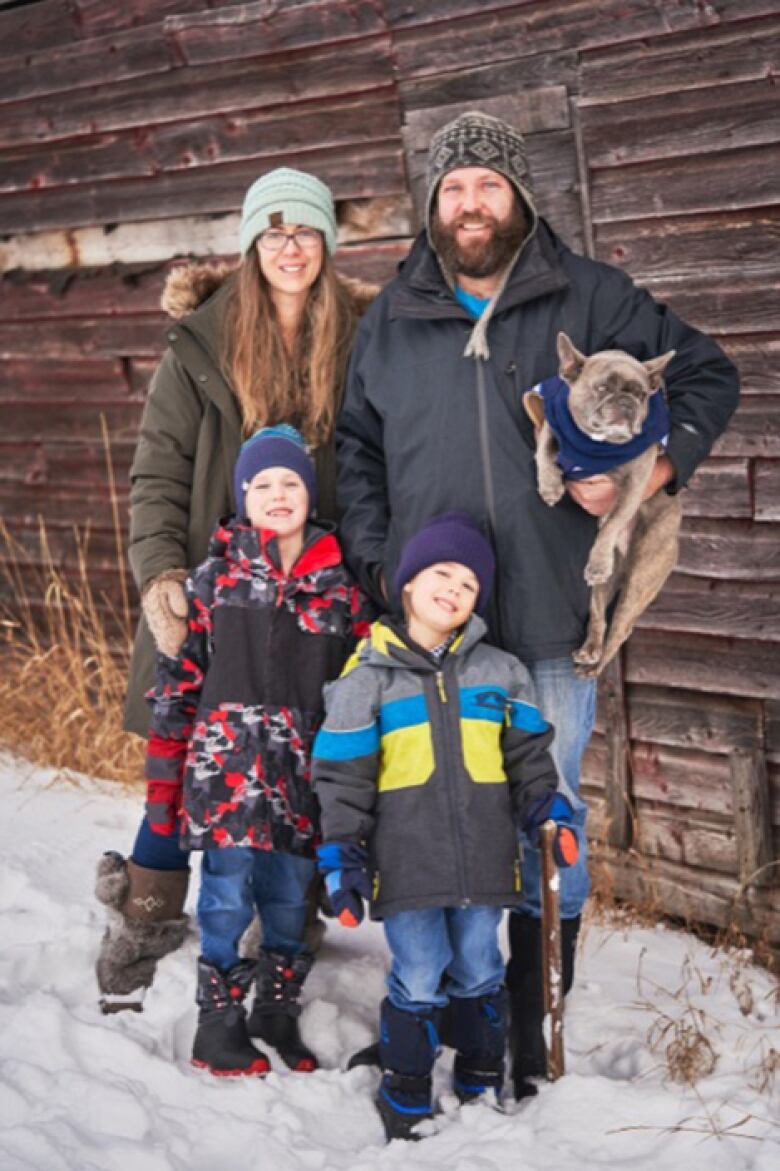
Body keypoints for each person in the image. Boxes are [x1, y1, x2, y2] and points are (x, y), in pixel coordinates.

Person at [334, 111, 740, 1098]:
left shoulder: (589, 294)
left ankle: (530, 1031)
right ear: (432, 205)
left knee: (542, 817)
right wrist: (384, 570)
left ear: (519, 195)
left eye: (489, 184)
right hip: (433, 636)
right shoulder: (391, 316)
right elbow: (355, 452)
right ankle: (446, 1015)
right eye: (453, 188)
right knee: (430, 818)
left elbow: (709, 376)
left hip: (553, 624)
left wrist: (653, 464)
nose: (471, 203)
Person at [95, 168, 376, 1012]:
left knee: (303, 763)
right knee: (186, 768)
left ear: (326, 243)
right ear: (253, 244)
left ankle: (288, 928)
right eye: (273, 231)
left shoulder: (365, 336)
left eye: (306, 231)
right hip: (216, 595)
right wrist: (161, 575)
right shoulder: (200, 343)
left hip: (315, 596)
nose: (290, 248)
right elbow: (157, 474)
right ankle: (143, 924)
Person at [312, 513, 579, 1140]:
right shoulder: (367, 680)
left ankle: (480, 1077)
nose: (453, 589)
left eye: (468, 583)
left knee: (481, 965)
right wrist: (340, 856)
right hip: (408, 864)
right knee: (422, 970)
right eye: (441, 573)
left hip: (487, 861)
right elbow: (342, 778)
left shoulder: (502, 674)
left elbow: (529, 761)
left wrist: (549, 810)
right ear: (406, 584)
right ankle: (405, 1089)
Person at [144, 425, 371, 1076]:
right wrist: (164, 783)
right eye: (263, 484)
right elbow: (179, 682)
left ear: (310, 492)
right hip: (225, 778)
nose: (278, 493)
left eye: (291, 482)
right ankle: (217, 1019)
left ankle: (277, 1005)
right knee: (224, 892)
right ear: (243, 496)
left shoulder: (341, 589)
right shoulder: (214, 582)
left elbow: (359, 688)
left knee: (287, 895)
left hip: (302, 777)